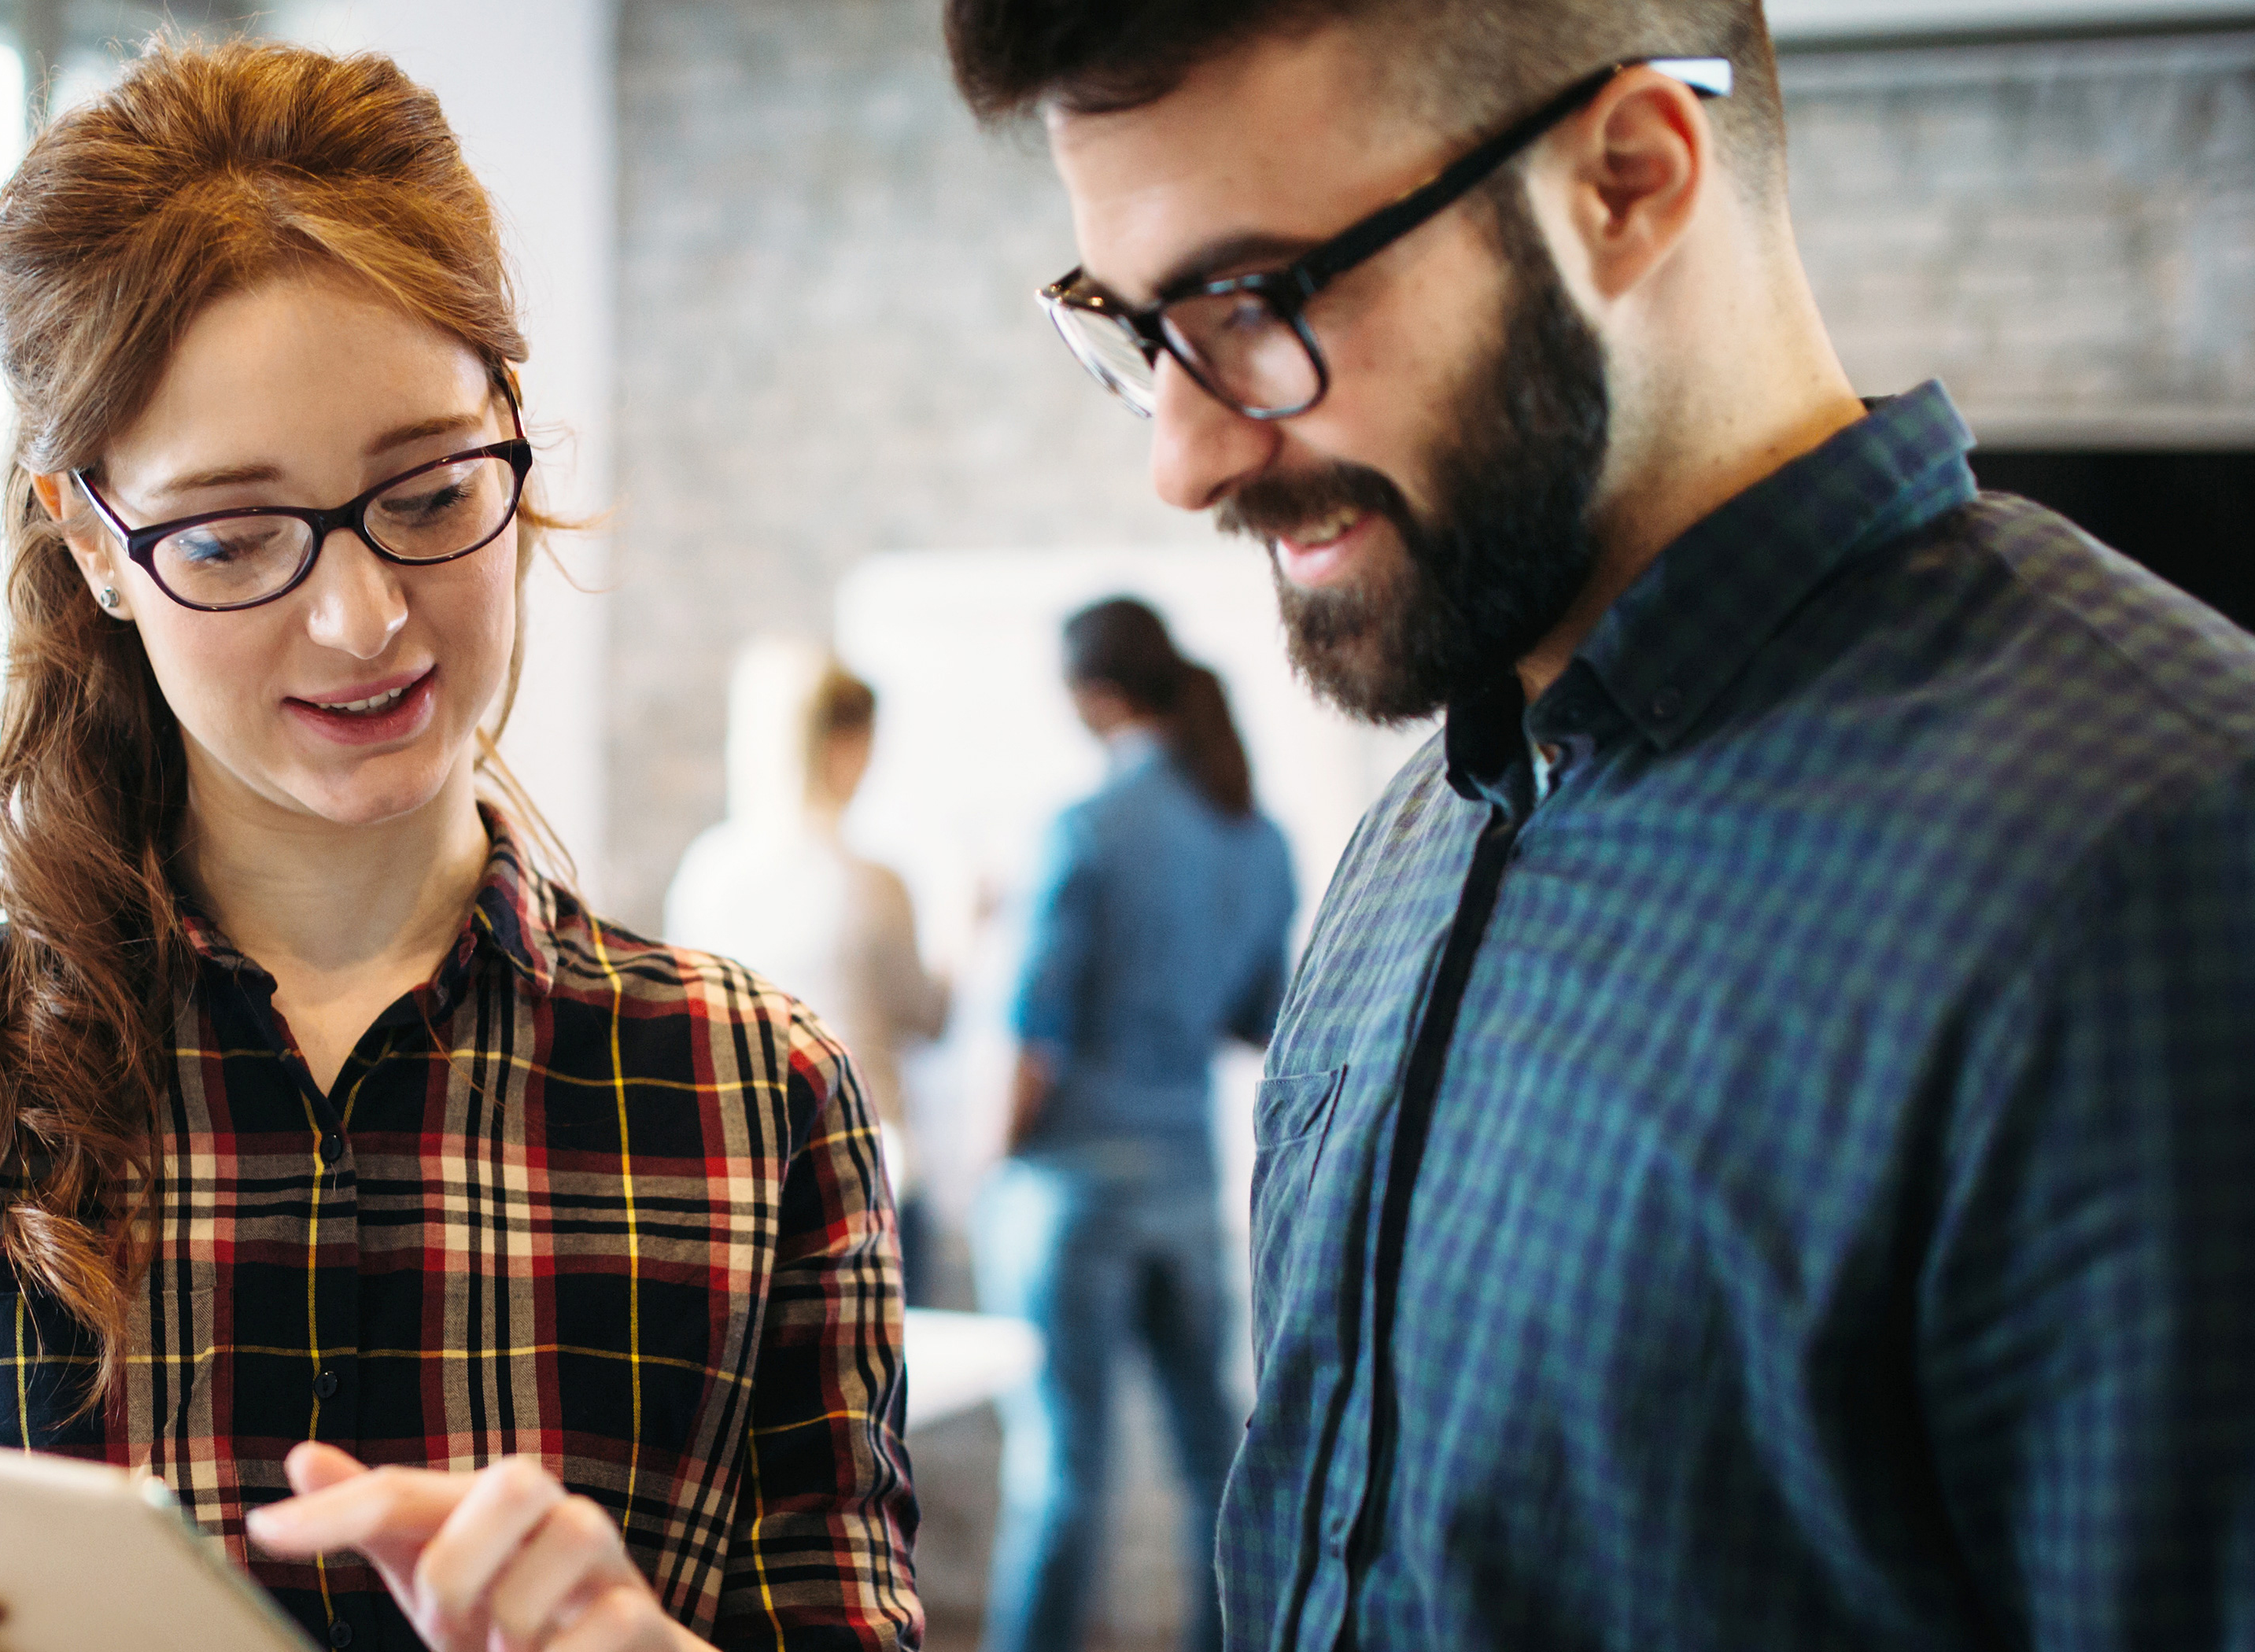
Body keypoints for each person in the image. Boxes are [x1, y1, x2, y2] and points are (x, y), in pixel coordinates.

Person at [943, 0, 2255, 1646]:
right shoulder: (1424, 832)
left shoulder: (2158, 864)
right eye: (1136, 328)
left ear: (1629, 180)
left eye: (1257, 302)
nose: (1186, 459)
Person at [0, 39, 916, 1652]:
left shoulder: (749, 1097)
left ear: (513, 428)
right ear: (93, 540)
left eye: (431, 495)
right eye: (231, 539)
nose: (364, 618)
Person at [971, 598, 1291, 1652]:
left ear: (1095, 697)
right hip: (1189, 1184)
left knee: (1064, 1475)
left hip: (1075, 1188)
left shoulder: (1087, 829)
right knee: (1216, 1464)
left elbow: (1037, 1034)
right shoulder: (1256, 835)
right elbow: (1258, 1017)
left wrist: (991, 1159)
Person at [663, 638, 950, 1299]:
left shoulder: (708, 872)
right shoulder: (872, 881)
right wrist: (966, 930)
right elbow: (927, 1017)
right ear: (843, 744)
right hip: (868, 1170)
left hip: (744, 1175)